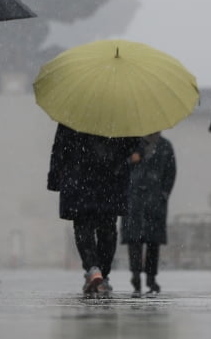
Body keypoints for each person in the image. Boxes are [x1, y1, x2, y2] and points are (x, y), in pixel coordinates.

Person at [48, 124, 139, 295]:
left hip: (79, 176)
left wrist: (55, 176)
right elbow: (131, 145)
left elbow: (60, 146)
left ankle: (92, 268)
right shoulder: (119, 113)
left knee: (83, 225)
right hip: (111, 177)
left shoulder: (73, 113)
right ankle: (103, 275)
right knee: (108, 227)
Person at [120, 132, 176, 295]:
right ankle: (135, 274)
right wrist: (131, 160)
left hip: (155, 200)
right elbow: (119, 167)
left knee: (153, 241)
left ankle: (151, 277)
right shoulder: (130, 144)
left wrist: (164, 193)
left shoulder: (165, 146)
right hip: (133, 198)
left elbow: (170, 172)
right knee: (134, 239)